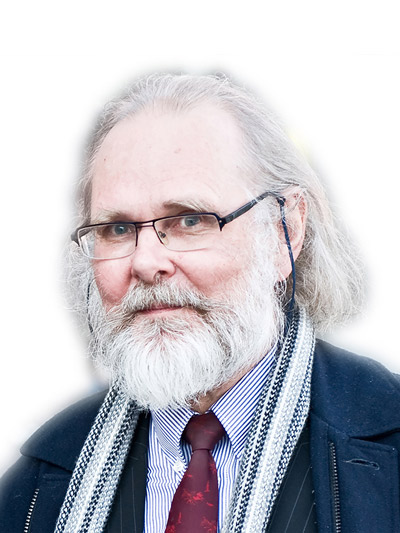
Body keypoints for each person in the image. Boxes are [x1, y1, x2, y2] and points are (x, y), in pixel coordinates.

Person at [1, 73, 400, 533]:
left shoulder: (387, 447)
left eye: (190, 220)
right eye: (116, 229)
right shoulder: (39, 481)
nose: (146, 262)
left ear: (284, 231)